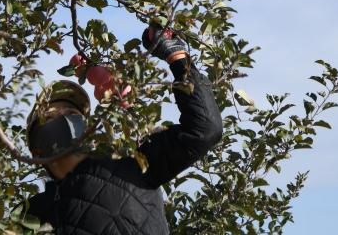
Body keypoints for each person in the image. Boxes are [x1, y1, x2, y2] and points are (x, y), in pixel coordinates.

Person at [23, 24, 223, 234]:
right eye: (54, 116)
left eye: (73, 115)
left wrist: (177, 57)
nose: (67, 120)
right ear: (37, 148)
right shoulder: (32, 214)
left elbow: (204, 129)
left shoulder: (134, 163)